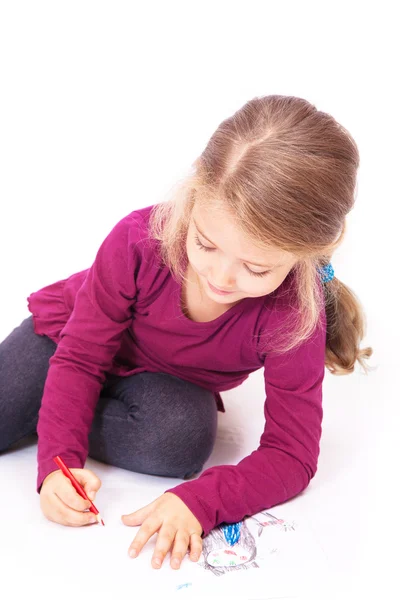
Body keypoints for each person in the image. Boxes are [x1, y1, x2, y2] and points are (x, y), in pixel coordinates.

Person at [0, 94, 372, 570]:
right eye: (205, 244)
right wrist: (59, 457)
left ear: (309, 252)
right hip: (68, 340)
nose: (221, 279)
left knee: (181, 443)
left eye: (256, 269)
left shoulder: (295, 313)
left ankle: (55, 407)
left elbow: (292, 454)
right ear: (194, 194)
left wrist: (201, 500)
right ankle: (51, 408)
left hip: (162, 384)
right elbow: (81, 356)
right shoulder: (138, 239)